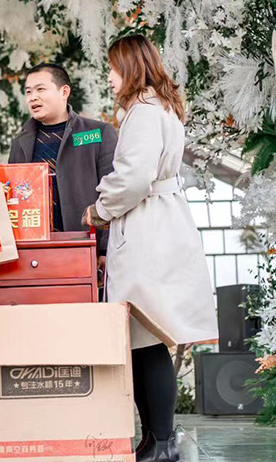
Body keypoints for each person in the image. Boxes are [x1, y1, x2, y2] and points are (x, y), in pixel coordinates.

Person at [83, 35, 218, 462]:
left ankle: (160, 441)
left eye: (113, 68)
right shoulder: (164, 106)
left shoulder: (142, 112)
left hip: (145, 226)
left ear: (129, 68)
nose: (109, 77)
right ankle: (157, 439)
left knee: (145, 338)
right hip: (164, 221)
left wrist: (99, 209)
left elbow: (134, 177)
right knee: (148, 336)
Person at [9, 63, 117, 271]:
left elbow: (113, 192)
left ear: (64, 92)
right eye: (28, 92)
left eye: (40, 89)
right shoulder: (21, 143)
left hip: (85, 247)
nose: (33, 97)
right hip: (34, 251)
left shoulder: (96, 133)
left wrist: (105, 250)